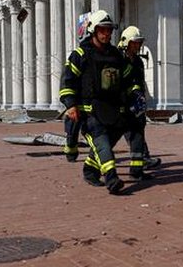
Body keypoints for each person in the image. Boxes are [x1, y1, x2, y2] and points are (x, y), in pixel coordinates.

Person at [59, 10, 146, 194]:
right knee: (101, 142)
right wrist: (71, 105)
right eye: (102, 30)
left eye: (109, 30)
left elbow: (127, 79)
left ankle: (90, 170)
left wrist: (136, 94)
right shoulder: (80, 54)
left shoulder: (115, 55)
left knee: (108, 141)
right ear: (93, 30)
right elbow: (67, 82)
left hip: (113, 110)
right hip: (88, 112)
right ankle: (111, 178)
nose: (106, 34)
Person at [117, 26, 162, 173]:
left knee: (137, 130)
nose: (137, 46)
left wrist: (142, 99)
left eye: (139, 43)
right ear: (126, 43)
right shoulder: (117, 59)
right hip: (120, 103)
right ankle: (98, 161)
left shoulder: (138, 61)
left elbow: (140, 82)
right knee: (112, 135)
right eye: (134, 43)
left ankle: (144, 159)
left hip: (136, 103)